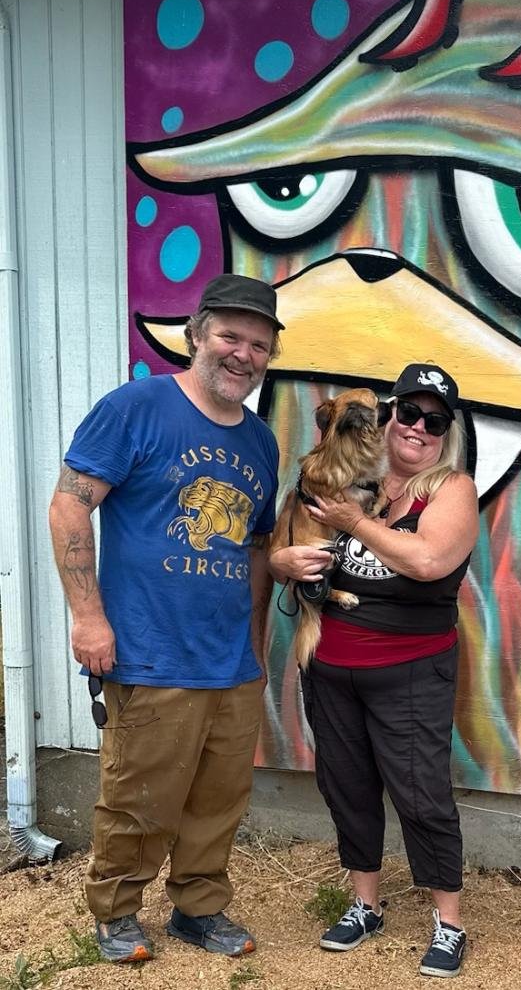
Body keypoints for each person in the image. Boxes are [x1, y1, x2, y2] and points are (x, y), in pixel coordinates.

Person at [47, 274, 283, 964]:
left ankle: (198, 906)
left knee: (218, 800)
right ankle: (116, 911)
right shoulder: (135, 408)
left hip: (230, 660)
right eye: (231, 337)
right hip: (151, 650)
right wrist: (88, 618)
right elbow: (69, 506)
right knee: (138, 796)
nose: (243, 354)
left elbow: (258, 548)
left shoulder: (261, 443)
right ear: (198, 334)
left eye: (258, 345)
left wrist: (258, 646)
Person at [270, 362, 479, 979]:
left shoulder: (451, 490)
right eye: (406, 413)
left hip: (410, 669)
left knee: (421, 794)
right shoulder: (349, 481)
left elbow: (428, 560)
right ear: (385, 419)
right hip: (331, 666)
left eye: (433, 421)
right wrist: (283, 559)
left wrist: (355, 525)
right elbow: (285, 551)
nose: (417, 428)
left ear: (447, 434)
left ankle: (449, 922)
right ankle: (365, 904)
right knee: (348, 787)